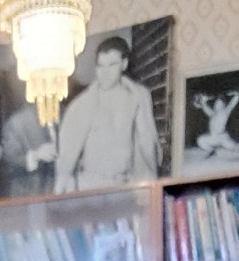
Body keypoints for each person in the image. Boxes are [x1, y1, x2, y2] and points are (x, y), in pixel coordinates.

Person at [55, 33, 160, 190]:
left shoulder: (138, 97)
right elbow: (66, 161)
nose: (105, 72)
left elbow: (147, 143)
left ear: (124, 64)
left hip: (126, 184)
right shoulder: (83, 104)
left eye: (112, 65)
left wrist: (154, 186)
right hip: (90, 187)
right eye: (100, 66)